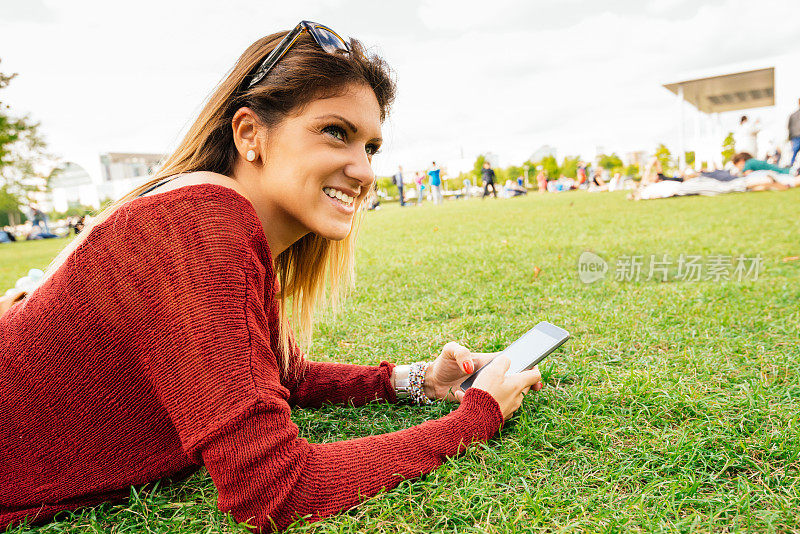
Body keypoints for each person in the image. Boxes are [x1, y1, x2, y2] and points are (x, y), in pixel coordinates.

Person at [0, 22, 543, 532]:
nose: (365, 171)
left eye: (371, 146)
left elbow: (279, 376)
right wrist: (478, 416)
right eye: (336, 132)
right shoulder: (200, 225)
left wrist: (417, 380)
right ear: (249, 133)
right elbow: (274, 492)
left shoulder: (208, 215)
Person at [788, 98, 800, 167]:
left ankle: (791, 166)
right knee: (794, 153)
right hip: (795, 136)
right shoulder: (793, 115)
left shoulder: (793, 115)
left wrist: (790, 138)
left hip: (795, 136)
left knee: (794, 153)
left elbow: (789, 127)